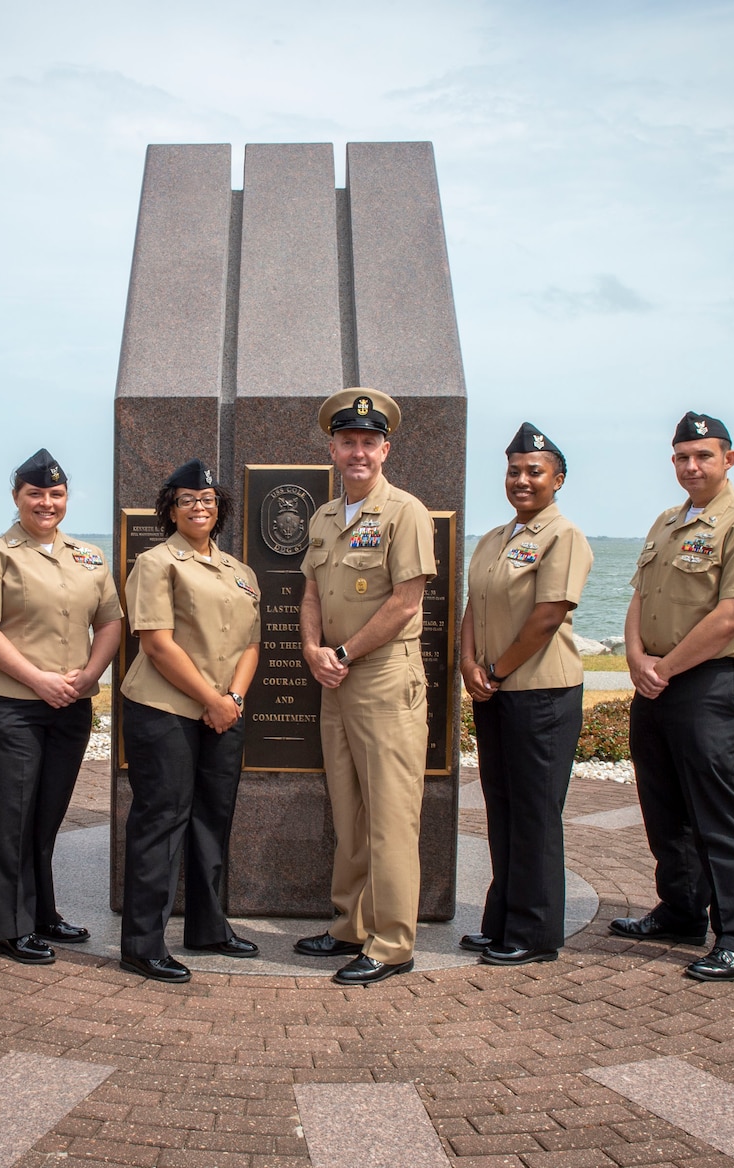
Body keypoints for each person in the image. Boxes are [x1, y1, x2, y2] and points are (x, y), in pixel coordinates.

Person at [610, 412, 734, 982]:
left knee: (718, 814)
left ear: (728, 459)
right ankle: (681, 910)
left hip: (708, 684)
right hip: (656, 682)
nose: (691, 466)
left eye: (703, 455)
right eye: (682, 456)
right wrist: (636, 658)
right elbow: (640, 598)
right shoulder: (666, 522)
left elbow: (733, 614)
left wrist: (665, 668)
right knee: (665, 810)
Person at [295, 388, 436, 986]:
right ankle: (350, 924)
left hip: (383, 678)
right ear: (333, 448)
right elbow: (309, 592)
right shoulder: (324, 517)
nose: (358, 452)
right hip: (335, 678)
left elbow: (407, 602)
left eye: (368, 442)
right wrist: (310, 650)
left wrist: (345, 652)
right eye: (347, 442)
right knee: (349, 813)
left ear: (385, 448)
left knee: (390, 815)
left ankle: (392, 942)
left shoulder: (406, 512)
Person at [0, 449, 123, 965]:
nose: (46, 503)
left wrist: (91, 675)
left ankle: (43, 913)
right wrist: (38, 680)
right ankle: (9, 927)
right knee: (12, 818)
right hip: (9, 705)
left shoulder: (89, 557)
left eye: (55, 494)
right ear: (17, 498)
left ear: (67, 499)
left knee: (46, 815)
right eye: (35, 494)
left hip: (70, 705)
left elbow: (111, 622)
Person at [119, 459, 262, 983]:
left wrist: (234, 699)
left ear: (219, 508)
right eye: (186, 500)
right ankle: (142, 943)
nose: (198, 507)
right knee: (162, 820)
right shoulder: (156, 563)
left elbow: (251, 644)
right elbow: (156, 644)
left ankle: (208, 927)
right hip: (166, 711)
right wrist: (212, 699)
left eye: (206, 500)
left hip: (226, 712)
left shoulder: (241, 573)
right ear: (171, 509)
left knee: (211, 820)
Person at [459, 423, 593, 966]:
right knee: (504, 808)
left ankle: (535, 934)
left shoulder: (565, 538)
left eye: (534, 471)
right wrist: (468, 664)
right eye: (514, 470)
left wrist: (494, 669)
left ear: (558, 479)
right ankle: (502, 921)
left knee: (536, 814)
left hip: (541, 692)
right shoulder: (495, 538)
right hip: (496, 691)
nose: (521, 479)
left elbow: (547, 617)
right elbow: (475, 606)